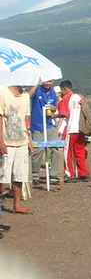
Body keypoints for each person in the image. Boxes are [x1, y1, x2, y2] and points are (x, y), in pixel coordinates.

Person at [0, 85, 34, 214]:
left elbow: (25, 119)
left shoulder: (25, 96)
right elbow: (0, 117)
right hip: (7, 141)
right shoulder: (4, 94)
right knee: (3, 175)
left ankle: (17, 205)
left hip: (21, 140)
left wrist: (29, 141)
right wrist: (1, 141)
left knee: (20, 174)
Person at [57, 80, 89, 182]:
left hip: (71, 128)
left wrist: (54, 114)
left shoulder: (66, 98)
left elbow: (64, 113)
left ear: (65, 89)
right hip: (81, 129)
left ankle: (69, 173)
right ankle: (83, 173)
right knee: (79, 151)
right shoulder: (81, 97)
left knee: (67, 152)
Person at [28, 80, 59, 184]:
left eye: (50, 81)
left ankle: (54, 175)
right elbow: (28, 95)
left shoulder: (52, 92)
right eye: (46, 81)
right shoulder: (37, 90)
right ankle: (34, 175)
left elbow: (55, 107)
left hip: (49, 124)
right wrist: (36, 82)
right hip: (37, 125)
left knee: (57, 148)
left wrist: (54, 108)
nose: (48, 84)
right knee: (38, 150)